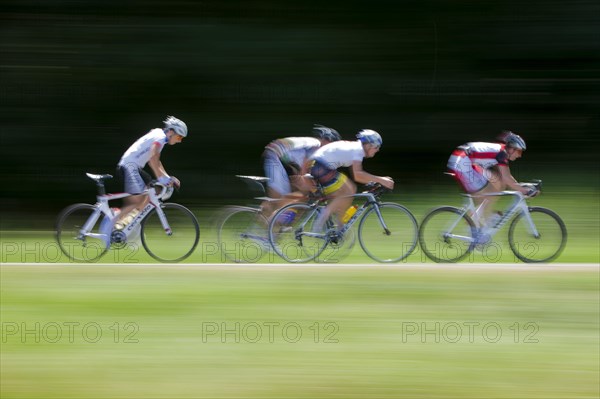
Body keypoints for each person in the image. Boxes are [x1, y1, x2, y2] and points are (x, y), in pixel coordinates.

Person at [309, 129, 394, 231]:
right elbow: (358, 175)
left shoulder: (355, 148)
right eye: (377, 147)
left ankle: (339, 228)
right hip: (320, 166)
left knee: (346, 194)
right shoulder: (358, 150)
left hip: (319, 166)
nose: (378, 150)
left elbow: (360, 175)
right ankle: (323, 217)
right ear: (368, 145)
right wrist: (381, 180)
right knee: (349, 190)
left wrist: (376, 180)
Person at [114, 116, 187, 230]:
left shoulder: (159, 134)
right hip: (129, 167)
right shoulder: (160, 138)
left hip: (134, 167)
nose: (180, 140)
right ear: (171, 132)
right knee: (137, 200)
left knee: (154, 190)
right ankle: (117, 219)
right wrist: (163, 179)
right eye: (179, 136)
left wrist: (167, 177)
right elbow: (153, 159)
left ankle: (129, 218)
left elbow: (156, 160)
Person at [446, 131, 534, 225]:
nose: (520, 155)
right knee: (486, 193)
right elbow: (507, 178)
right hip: (462, 162)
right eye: (519, 151)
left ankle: (479, 217)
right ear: (511, 148)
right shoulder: (502, 154)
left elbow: (505, 178)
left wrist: (521, 187)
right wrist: (525, 191)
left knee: (498, 183)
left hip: (464, 159)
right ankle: (476, 222)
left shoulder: (501, 152)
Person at [262, 124, 341, 217]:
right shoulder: (317, 145)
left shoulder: (312, 146)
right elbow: (305, 167)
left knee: (297, 192)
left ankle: (272, 218)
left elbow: (306, 170)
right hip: (276, 156)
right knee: (279, 198)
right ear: (327, 140)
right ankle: (271, 219)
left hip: (278, 156)